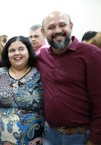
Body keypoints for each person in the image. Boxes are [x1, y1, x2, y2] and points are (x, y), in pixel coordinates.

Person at [37, 11, 101, 145]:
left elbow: (99, 100)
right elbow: (16, 60)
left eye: (62, 25)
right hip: (50, 136)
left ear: (71, 26)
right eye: (51, 27)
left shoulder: (91, 54)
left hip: (81, 137)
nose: (58, 30)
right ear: (43, 32)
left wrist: (94, 140)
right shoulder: (42, 56)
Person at [0, 36, 44, 145]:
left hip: (33, 140)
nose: (17, 53)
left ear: (29, 51)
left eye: (21, 49)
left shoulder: (39, 74)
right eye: (12, 50)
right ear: (7, 54)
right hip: (0, 139)